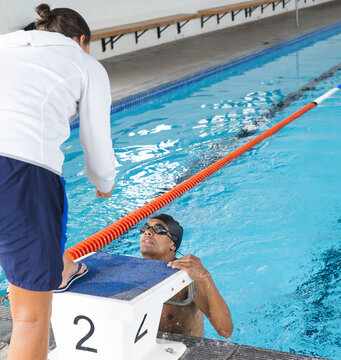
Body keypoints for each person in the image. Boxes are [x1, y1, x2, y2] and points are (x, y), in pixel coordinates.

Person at [0, 4, 116, 359]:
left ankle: (60, 264)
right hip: (22, 174)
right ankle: (57, 267)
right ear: (81, 40)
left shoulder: (5, 45)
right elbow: (96, 141)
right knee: (31, 318)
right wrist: (104, 181)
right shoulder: (86, 65)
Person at [139, 214, 233, 338]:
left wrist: (205, 276)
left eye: (158, 229)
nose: (148, 232)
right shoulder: (132, 271)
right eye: (145, 227)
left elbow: (225, 330)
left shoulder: (187, 277)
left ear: (173, 245)